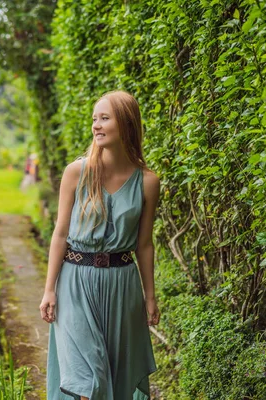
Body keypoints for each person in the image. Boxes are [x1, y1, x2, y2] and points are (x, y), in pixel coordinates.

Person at [40, 90, 160, 400]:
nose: (96, 125)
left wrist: (150, 296)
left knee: (117, 379)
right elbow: (60, 233)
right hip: (75, 282)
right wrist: (49, 288)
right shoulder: (77, 172)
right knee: (87, 379)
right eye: (95, 119)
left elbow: (144, 245)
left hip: (122, 286)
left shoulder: (147, 181)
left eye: (104, 118)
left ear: (127, 124)